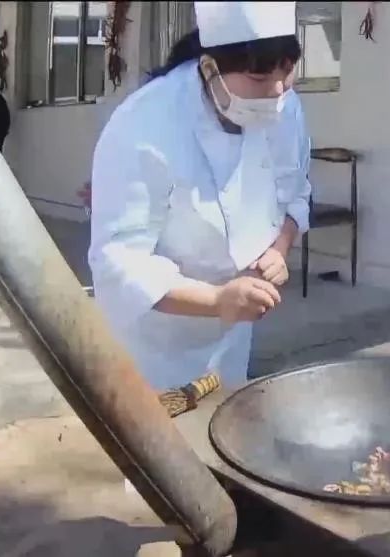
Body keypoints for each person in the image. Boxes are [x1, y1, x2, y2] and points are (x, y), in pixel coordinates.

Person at [88, 2, 311, 393]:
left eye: (288, 71)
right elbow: (118, 262)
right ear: (210, 69)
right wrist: (216, 300)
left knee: (225, 421)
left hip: (233, 327)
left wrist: (279, 247)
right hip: (155, 339)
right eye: (259, 76)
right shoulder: (145, 123)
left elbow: (295, 191)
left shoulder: (285, 106)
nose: (277, 91)